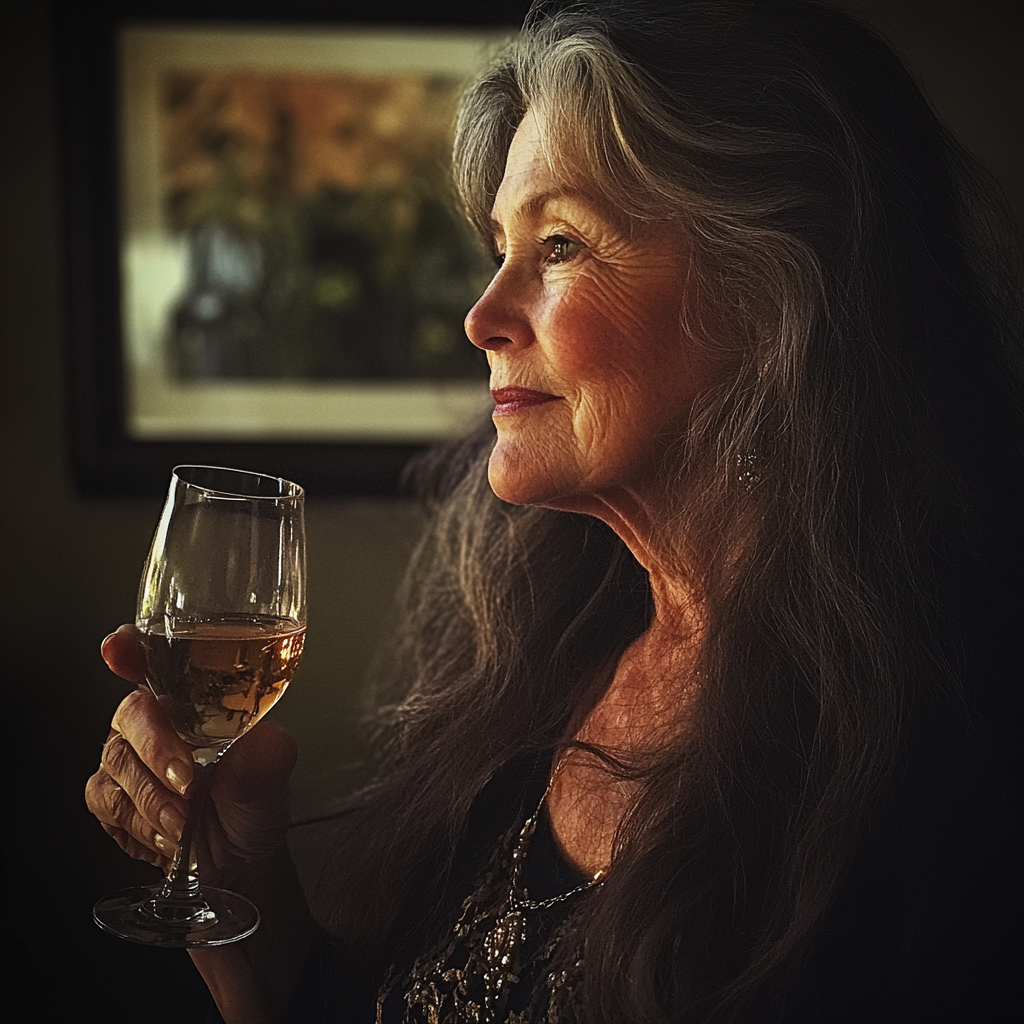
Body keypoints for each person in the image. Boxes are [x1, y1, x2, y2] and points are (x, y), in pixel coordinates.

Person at [87, 1, 1022, 1021]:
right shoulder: (540, 644)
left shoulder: (950, 756)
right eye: (498, 246)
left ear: (770, 295)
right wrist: (240, 879)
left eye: (561, 245)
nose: (481, 316)